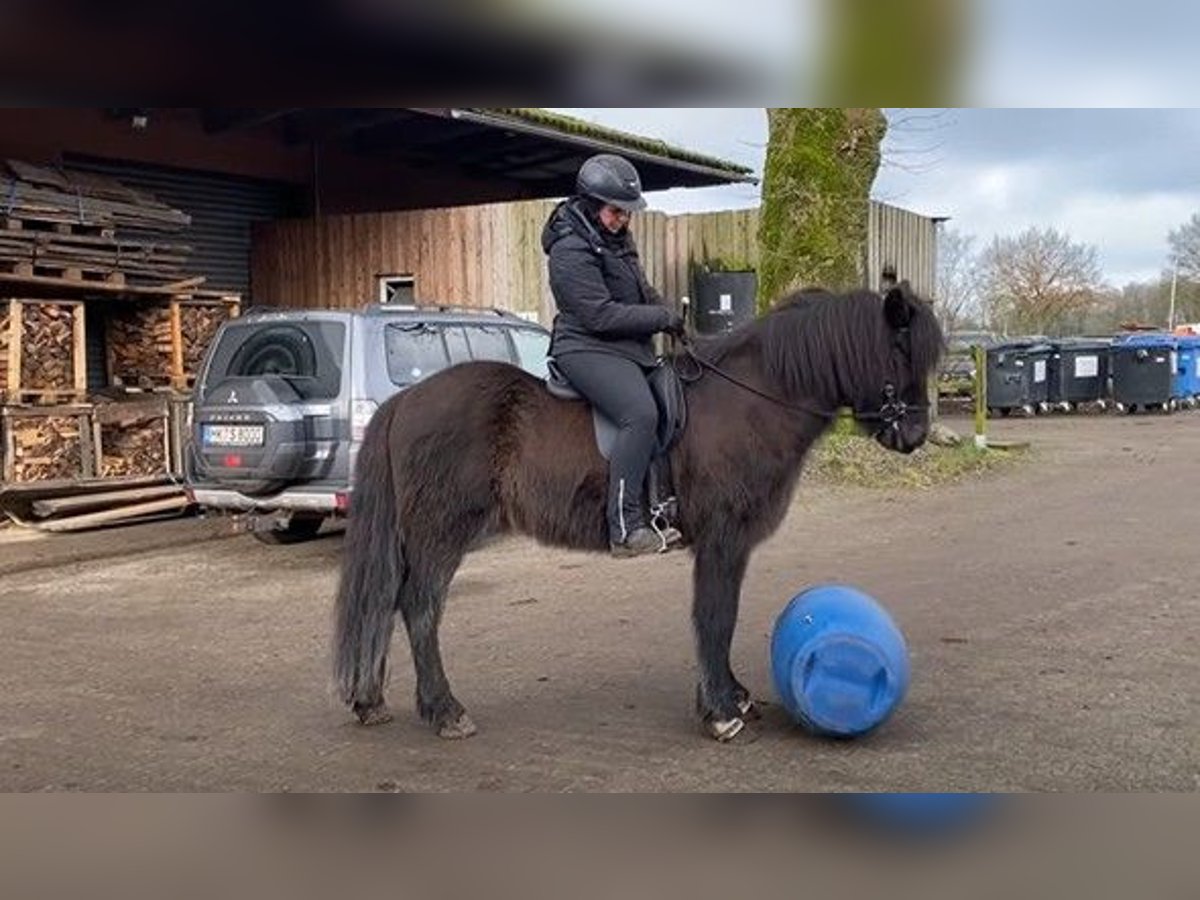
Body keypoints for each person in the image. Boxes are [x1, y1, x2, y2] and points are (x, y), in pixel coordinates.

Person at [542, 153, 686, 558]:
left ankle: (664, 504)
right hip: (585, 345)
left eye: (627, 212)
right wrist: (659, 317)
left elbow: (643, 291)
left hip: (624, 347)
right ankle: (625, 529)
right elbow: (599, 315)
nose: (623, 219)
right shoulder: (570, 249)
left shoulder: (617, 239)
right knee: (640, 414)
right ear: (591, 204)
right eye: (615, 211)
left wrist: (670, 317)